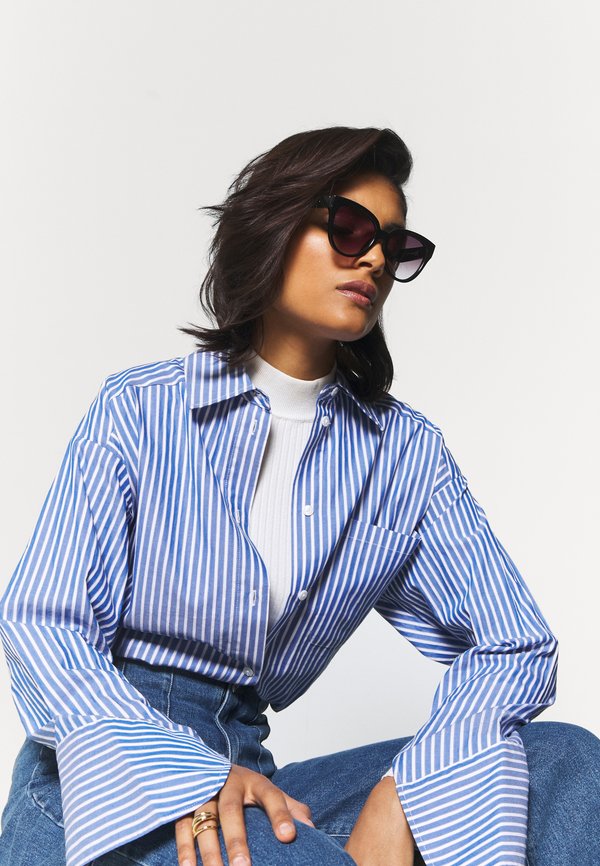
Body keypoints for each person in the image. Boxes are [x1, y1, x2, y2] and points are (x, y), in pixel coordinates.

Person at [0, 126, 598, 866]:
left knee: (566, 762)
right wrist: (183, 773)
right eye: (350, 228)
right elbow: (43, 624)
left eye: (395, 247)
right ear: (276, 225)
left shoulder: (403, 455)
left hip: (256, 775)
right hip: (105, 773)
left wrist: (406, 789)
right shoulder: (142, 409)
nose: (374, 259)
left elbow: (516, 642)